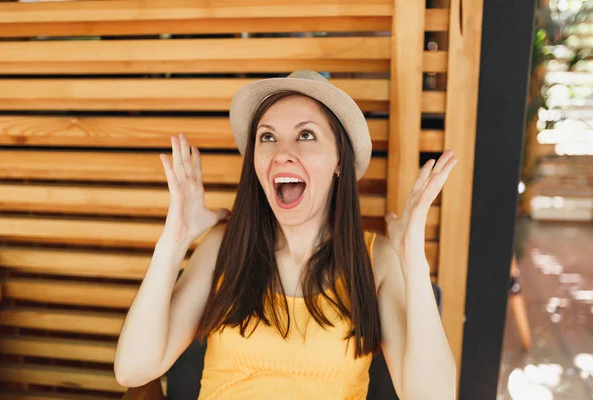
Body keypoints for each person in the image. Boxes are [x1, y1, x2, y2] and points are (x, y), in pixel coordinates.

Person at [114, 70, 457, 399]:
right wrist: (173, 243)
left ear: (340, 160)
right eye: (268, 137)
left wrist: (413, 263)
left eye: (305, 135)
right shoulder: (224, 247)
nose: (281, 154)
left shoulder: (375, 260)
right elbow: (132, 371)